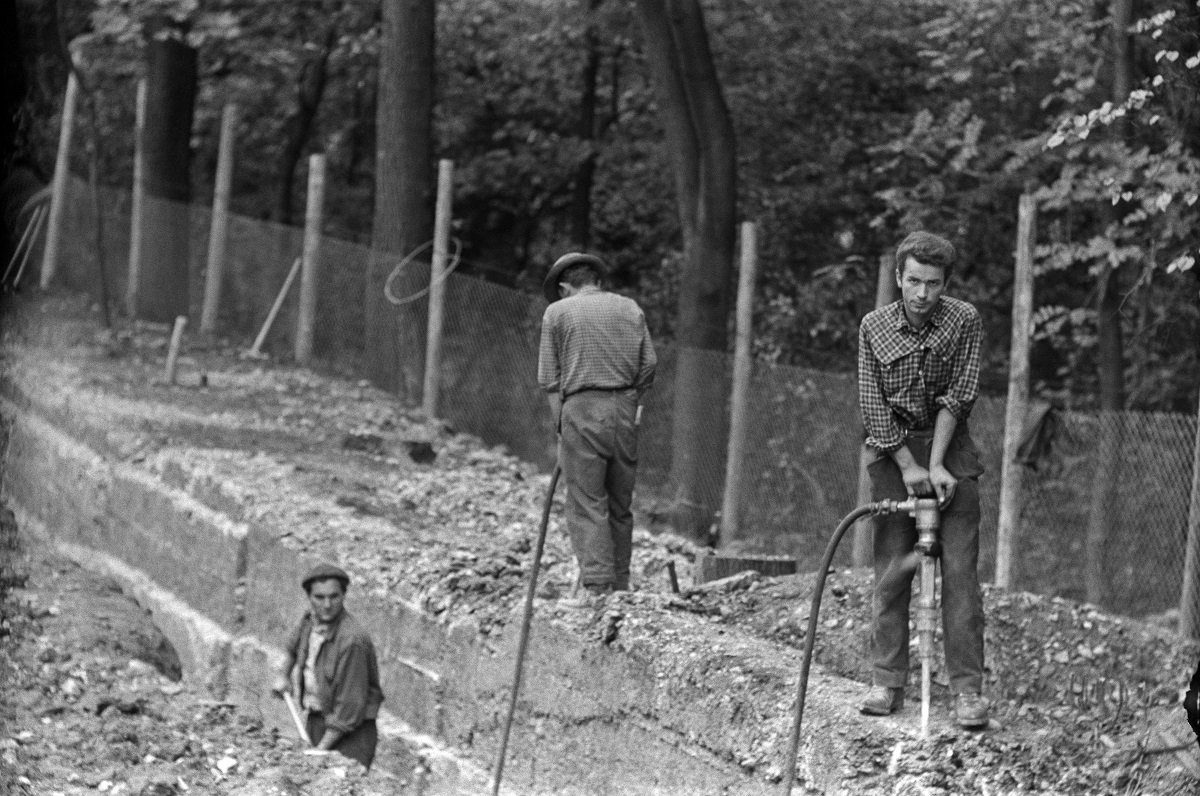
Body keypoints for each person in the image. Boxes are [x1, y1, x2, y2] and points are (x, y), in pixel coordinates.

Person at [856, 231, 989, 729]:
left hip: (951, 450)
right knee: (893, 569)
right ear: (898, 277)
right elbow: (872, 404)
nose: (921, 293)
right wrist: (909, 467)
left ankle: (967, 692)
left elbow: (961, 393)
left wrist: (935, 464)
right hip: (892, 452)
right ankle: (886, 682)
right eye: (913, 281)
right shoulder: (873, 327)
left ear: (945, 284)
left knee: (960, 574)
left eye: (932, 283)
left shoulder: (964, 320)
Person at [538, 252, 657, 605]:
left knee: (586, 502)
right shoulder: (629, 308)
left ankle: (597, 589)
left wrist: (561, 425)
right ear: (597, 281)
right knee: (620, 503)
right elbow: (649, 364)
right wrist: (629, 400)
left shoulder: (557, 312)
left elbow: (549, 379)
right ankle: (620, 588)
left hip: (581, 408)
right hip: (625, 408)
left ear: (564, 288)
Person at [272, 563, 385, 769]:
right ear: (309, 597)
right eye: (319, 597)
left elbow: (349, 707)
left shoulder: (352, 641)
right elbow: (292, 647)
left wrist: (320, 750)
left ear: (344, 595)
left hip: (350, 737)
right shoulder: (311, 620)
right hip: (317, 721)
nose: (327, 605)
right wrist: (283, 675)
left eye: (334, 597)